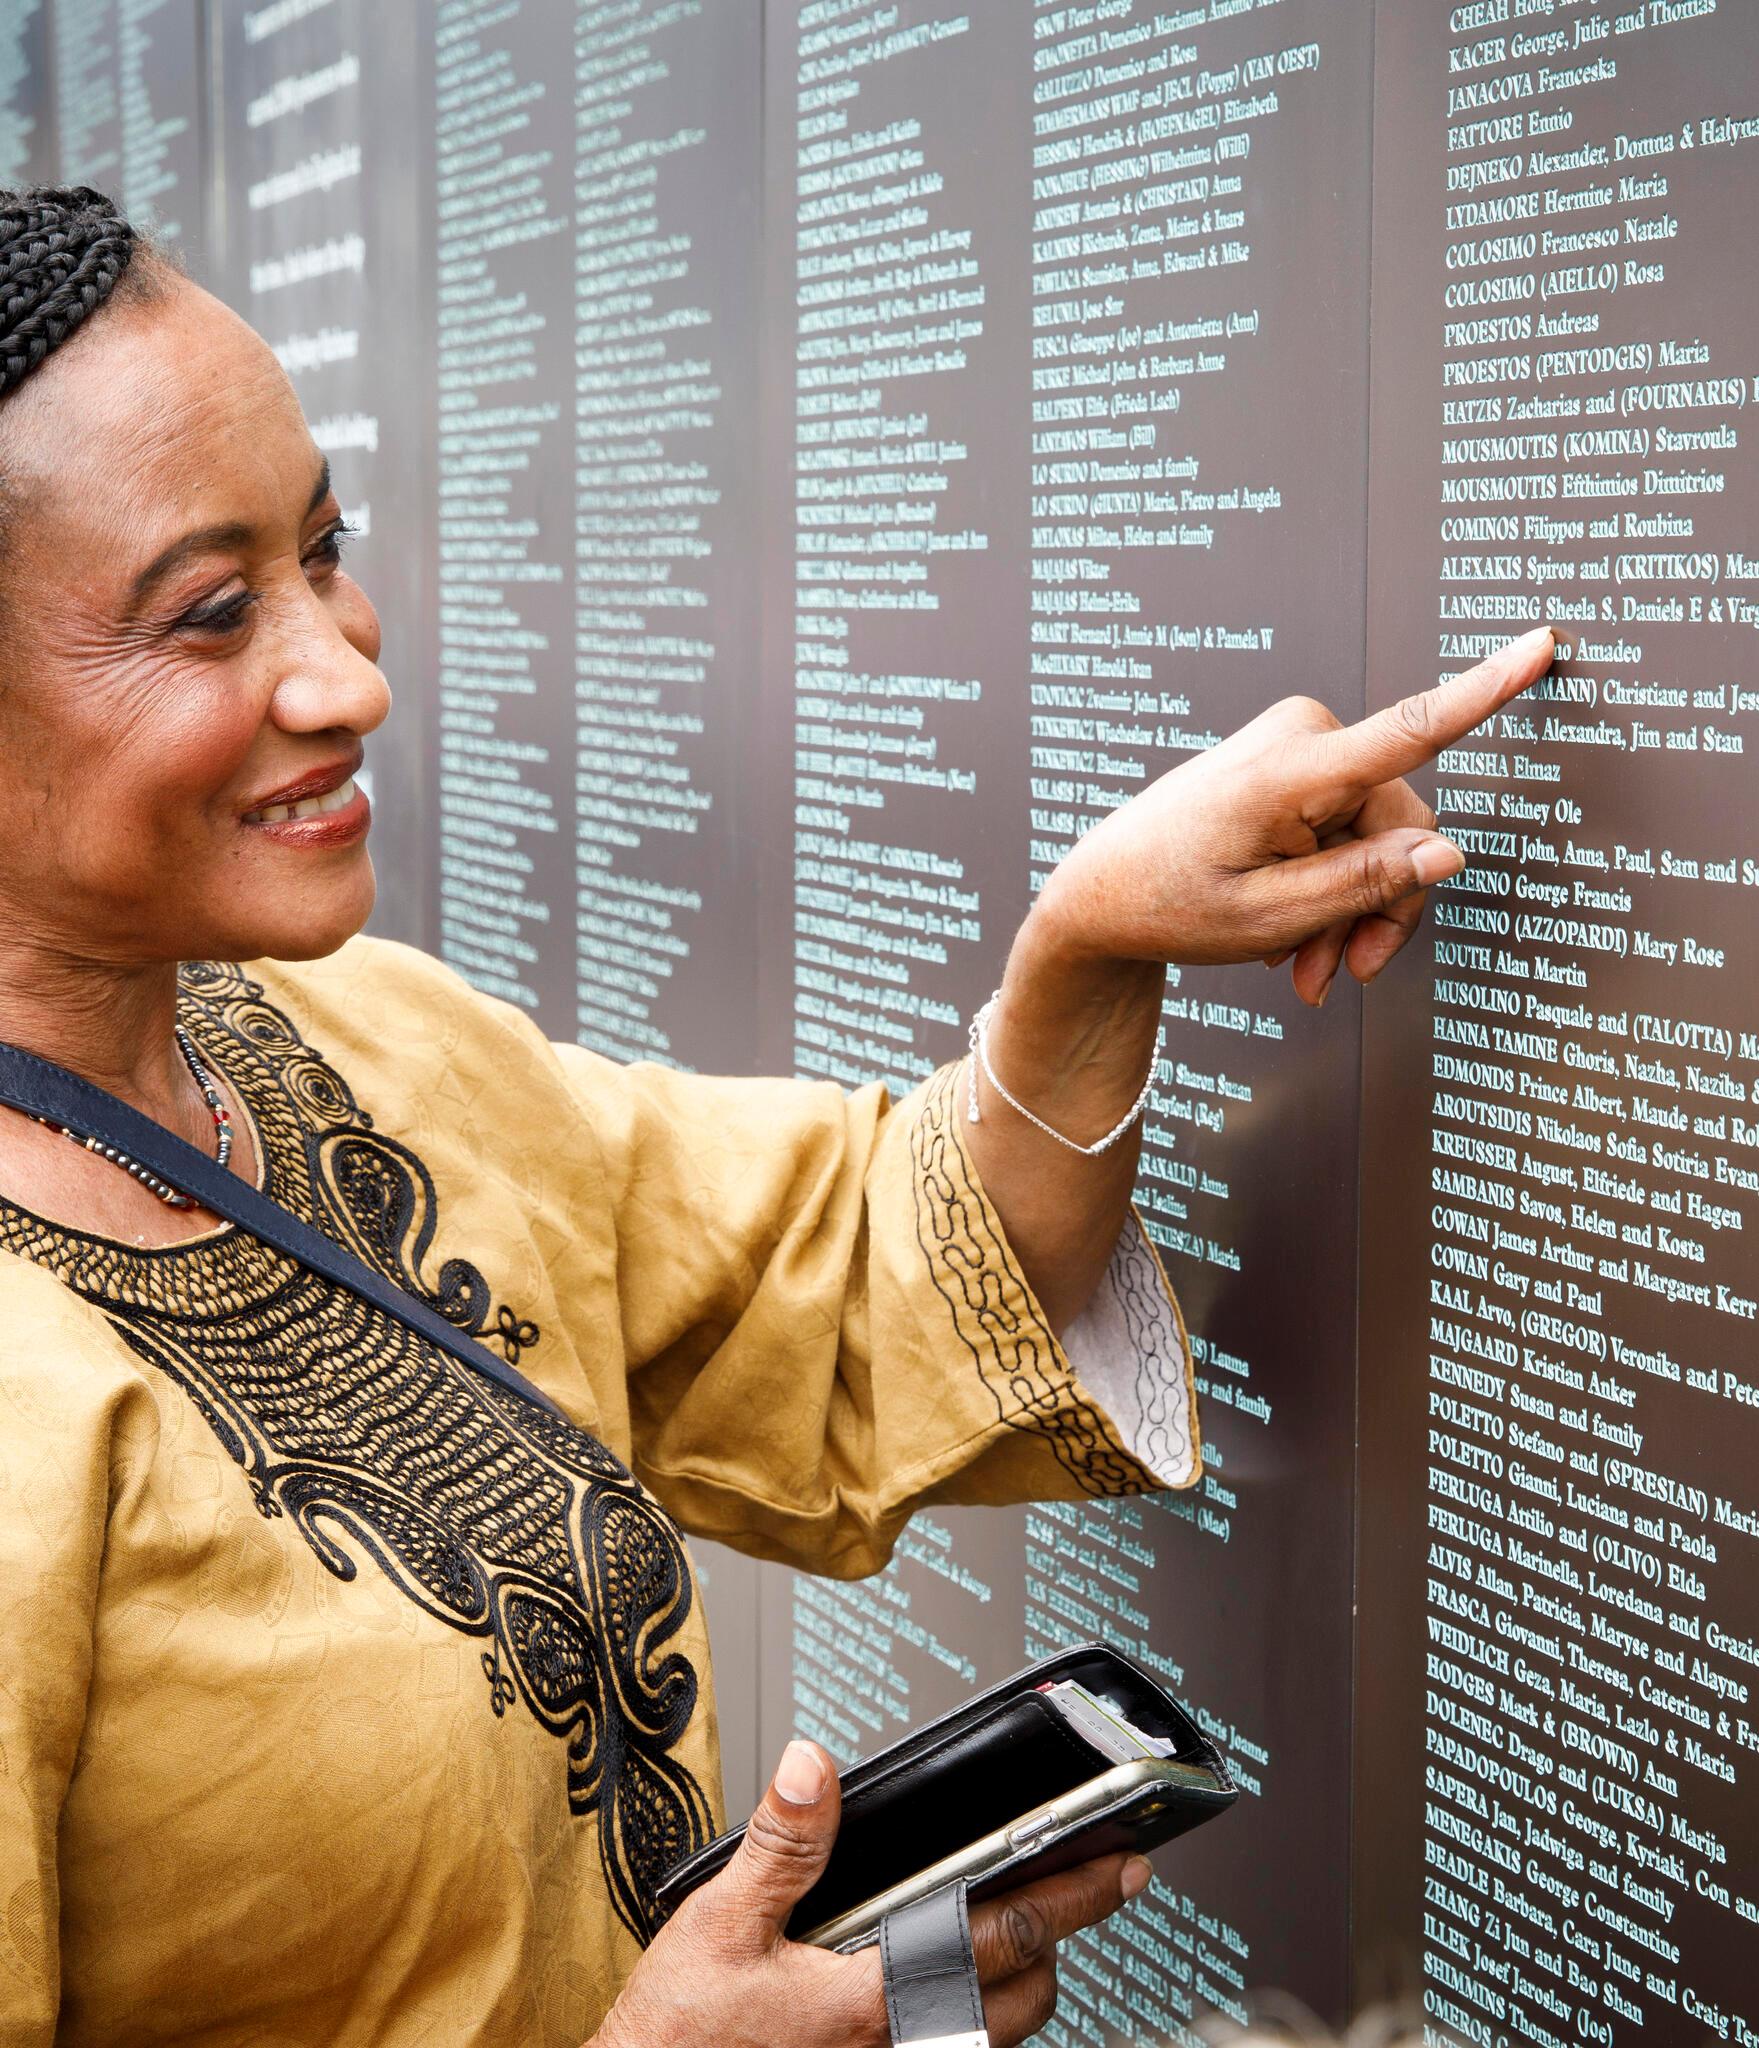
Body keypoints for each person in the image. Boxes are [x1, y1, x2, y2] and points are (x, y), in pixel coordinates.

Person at [0, 186, 1555, 2048]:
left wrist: (1083, 956)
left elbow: (868, 1275)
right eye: (208, 614)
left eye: (326, 549)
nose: (349, 673)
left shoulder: (355, 1042)